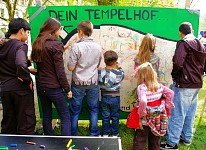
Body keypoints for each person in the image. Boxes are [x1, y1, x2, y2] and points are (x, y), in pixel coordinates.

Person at [160, 22, 206, 149]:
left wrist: (175, 76)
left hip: (184, 83)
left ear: (180, 32)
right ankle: (186, 138)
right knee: (190, 113)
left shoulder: (183, 43)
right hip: (197, 82)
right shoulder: (200, 43)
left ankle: (172, 143)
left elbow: (178, 62)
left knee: (177, 113)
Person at [31, 17, 72, 136]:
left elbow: (45, 63)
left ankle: (48, 141)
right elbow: (59, 71)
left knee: (47, 114)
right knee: (65, 116)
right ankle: (66, 144)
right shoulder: (56, 44)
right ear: (54, 30)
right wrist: (67, 89)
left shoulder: (37, 42)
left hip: (41, 85)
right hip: (53, 87)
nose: (60, 32)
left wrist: (62, 49)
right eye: (60, 29)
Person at [0, 18, 36, 134]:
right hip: (20, 89)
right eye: (27, 32)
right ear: (21, 30)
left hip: (5, 88)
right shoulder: (20, 46)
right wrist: (27, 80)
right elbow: (20, 63)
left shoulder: (3, 45)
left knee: (9, 123)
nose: (27, 36)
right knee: (25, 123)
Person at [67, 20, 102, 136]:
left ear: (80, 32)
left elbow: (71, 68)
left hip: (78, 84)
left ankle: (73, 134)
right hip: (93, 83)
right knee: (93, 109)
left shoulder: (76, 47)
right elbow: (97, 65)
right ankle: (94, 133)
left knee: (75, 110)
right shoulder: (98, 47)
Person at [132, 62, 174, 150]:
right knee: (155, 139)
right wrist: (167, 103)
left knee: (140, 138)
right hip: (157, 118)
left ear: (141, 76)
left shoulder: (141, 87)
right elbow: (171, 93)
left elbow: (143, 100)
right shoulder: (158, 85)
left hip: (145, 119)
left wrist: (142, 112)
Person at [98, 50, 124, 137]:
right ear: (115, 62)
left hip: (104, 96)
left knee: (105, 116)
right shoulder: (118, 73)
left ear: (104, 61)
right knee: (115, 116)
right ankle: (115, 134)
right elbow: (123, 74)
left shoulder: (100, 72)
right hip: (115, 97)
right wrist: (119, 67)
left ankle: (105, 133)